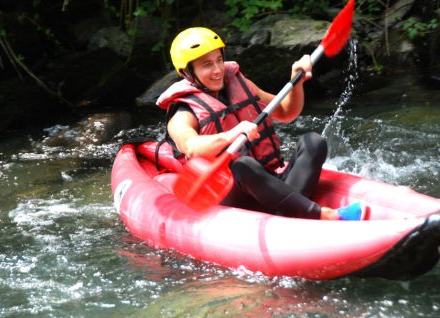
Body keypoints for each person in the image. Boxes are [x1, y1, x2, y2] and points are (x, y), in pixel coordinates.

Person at [156, 27, 367, 220]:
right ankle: (321, 214)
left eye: (219, 60)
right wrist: (233, 134)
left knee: (314, 141)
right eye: (207, 65)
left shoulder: (239, 84)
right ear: (187, 72)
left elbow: (286, 112)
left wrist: (297, 81)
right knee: (242, 164)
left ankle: (289, 212)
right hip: (233, 193)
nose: (218, 69)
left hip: (270, 184)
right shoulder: (182, 112)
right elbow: (191, 148)